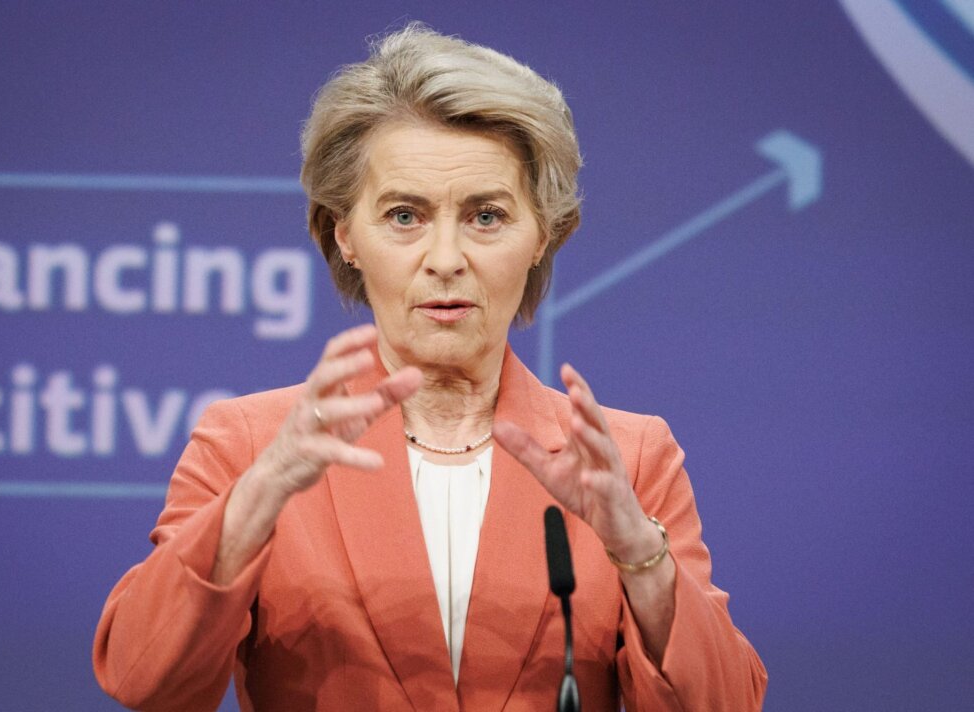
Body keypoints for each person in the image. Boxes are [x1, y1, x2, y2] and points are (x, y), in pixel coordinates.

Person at [93, 24, 767, 711]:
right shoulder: (249, 445)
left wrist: (639, 555)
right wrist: (256, 500)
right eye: (404, 216)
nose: (446, 259)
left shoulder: (629, 460)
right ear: (345, 234)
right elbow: (144, 681)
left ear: (543, 234)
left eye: (486, 217)